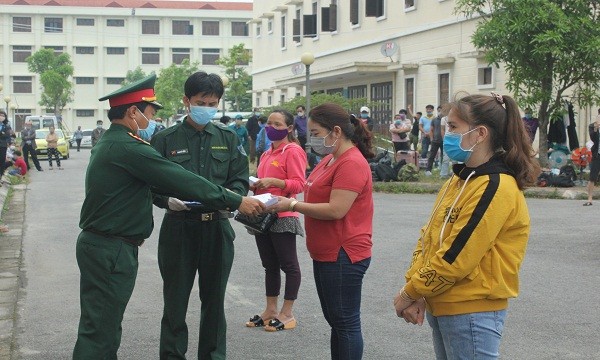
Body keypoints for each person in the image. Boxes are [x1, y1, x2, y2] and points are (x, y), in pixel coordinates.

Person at [73, 74, 265, 359]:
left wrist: (233, 197)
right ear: (133, 112)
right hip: (130, 242)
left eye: (213, 103)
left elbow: (231, 176)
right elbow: (179, 181)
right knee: (103, 328)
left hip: (208, 228)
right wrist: (237, 200)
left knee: (104, 327)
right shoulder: (133, 146)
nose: (153, 119)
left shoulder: (117, 142)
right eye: (150, 112)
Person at [394, 92, 540, 359]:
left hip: (472, 310)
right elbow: (429, 238)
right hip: (444, 303)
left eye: (452, 127)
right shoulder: (461, 178)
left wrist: (410, 291)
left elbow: (455, 257)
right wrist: (417, 290)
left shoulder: (495, 186)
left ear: (480, 133)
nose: (445, 133)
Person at [150, 71, 253, 360]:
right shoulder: (165, 139)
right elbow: (150, 184)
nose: (207, 107)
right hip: (179, 229)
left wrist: (230, 197)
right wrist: (166, 200)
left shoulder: (229, 138)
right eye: (200, 101)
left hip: (216, 228)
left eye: (212, 103)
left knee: (214, 302)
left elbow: (239, 181)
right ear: (186, 101)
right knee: (175, 302)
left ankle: (212, 356)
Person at [269, 103, 374, 359]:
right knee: (337, 321)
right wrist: (280, 187)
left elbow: (337, 210)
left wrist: (292, 204)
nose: (312, 139)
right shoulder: (330, 159)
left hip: (343, 253)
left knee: (345, 323)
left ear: (336, 131)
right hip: (326, 252)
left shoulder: (351, 163)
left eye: (316, 133)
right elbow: (310, 187)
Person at [245, 109, 307, 332]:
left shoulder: (293, 151)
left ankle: (287, 313)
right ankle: (270, 310)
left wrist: (276, 182)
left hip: (283, 213)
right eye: (269, 123)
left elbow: (299, 184)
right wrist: (256, 184)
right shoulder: (266, 153)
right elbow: (264, 181)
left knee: (289, 265)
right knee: (269, 265)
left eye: (277, 124)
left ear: (290, 128)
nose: (270, 127)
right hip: (263, 213)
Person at [583, 109, 600, 206]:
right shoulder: (592, 126)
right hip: (597, 155)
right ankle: (589, 198)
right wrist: (596, 127)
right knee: (592, 177)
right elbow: (593, 138)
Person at [425, 106, 445, 176]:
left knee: (444, 156)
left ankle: (442, 171)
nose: (440, 112)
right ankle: (428, 170)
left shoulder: (446, 119)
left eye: (441, 110)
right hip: (435, 141)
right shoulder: (434, 120)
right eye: (438, 110)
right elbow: (431, 130)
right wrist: (431, 139)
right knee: (431, 156)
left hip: (444, 141)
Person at [0, 110, 14, 179]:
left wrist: (3, 135)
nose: (1, 117)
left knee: (2, 160)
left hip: (3, 145)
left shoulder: (7, 126)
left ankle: (1, 175)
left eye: (3, 116)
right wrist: (2, 134)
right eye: (0, 115)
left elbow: (8, 136)